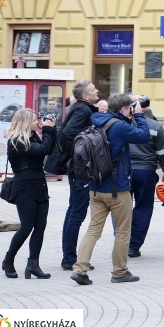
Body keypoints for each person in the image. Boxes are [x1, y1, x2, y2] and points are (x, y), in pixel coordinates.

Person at [70, 93, 150, 286]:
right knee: (123, 231)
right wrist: (139, 115)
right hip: (118, 189)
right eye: (130, 107)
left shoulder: (96, 121)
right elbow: (144, 136)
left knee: (93, 229)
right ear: (124, 109)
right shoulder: (120, 126)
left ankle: (80, 269)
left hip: (95, 188)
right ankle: (120, 272)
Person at [2, 109, 57, 278]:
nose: (38, 122)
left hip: (39, 185)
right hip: (24, 187)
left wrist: (50, 130)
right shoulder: (17, 141)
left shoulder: (33, 136)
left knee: (40, 227)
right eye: (34, 120)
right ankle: (8, 260)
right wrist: (48, 130)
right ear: (26, 122)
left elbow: (48, 148)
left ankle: (33, 264)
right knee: (26, 227)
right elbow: (43, 150)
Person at [59, 79, 100, 272]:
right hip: (80, 169)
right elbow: (68, 133)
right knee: (77, 212)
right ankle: (69, 258)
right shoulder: (83, 109)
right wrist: (82, 154)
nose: (97, 90)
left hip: (77, 168)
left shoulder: (80, 108)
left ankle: (69, 255)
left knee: (73, 211)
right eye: (93, 89)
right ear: (85, 96)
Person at [128, 115, 164, 258]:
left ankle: (121, 241)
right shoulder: (154, 126)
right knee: (143, 208)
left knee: (120, 208)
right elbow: (163, 152)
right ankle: (133, 246)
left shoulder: (118, 123)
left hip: (123, 172)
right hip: (146, 171)